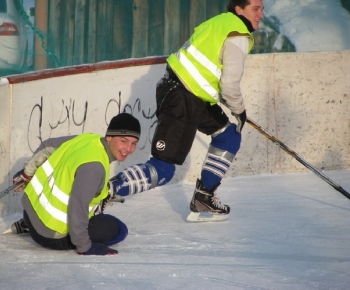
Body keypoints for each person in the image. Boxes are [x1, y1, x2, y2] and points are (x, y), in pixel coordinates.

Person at [109, 0, 264, 222]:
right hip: (182, 97)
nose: (261, 15)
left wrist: (225, 101)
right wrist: (239, 110)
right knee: (163, 169)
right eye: (256, 9)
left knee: (228, 136)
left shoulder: (218, 22)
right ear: (239, 9)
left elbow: (203, 68)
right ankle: (102, 191)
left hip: (187, 94)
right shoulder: (238, 33)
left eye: (262, 9)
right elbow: (229, 84)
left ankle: (204, 196)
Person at [8, 113, 141, 255]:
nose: (128, 148)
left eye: (134, 143)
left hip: (30, 212)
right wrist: (85, 246)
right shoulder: (94, 166)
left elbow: (48, 146)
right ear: (109, 137)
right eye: (124, 141)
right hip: (50, 235)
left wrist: (27, 173)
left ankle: (27, 224)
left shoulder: (89, 139)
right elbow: (78, 207)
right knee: (119, 230)